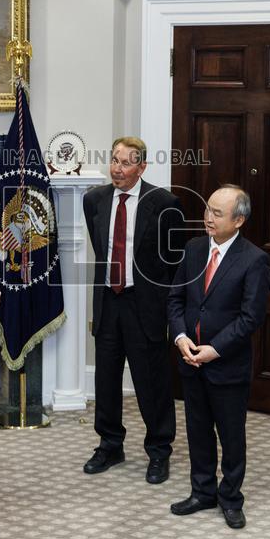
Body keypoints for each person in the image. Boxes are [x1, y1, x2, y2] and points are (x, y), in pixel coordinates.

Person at [82, 137, 185, 485]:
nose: (117, 169)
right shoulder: (93, 199)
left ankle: (159, 450)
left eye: (126, 163)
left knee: (152, 382)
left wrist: (170, 310)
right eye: (114, 160)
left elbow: (174, 265)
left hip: (146, 306)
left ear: (142, 168)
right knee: (106, 379)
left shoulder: (165, 203)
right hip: (109, 302)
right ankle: (110, 445)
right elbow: (102, 249)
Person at [167, 185, 270, 529]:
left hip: (227, 364)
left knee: (231, 434)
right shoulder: (193, 249)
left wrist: (215, 349)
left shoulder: (254, 259)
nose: (208, 218)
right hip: (190, 360)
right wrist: (181, 337)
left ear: (238, 220)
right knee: (197, 429)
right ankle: (202, 491)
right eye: (208, 210)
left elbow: (250, 317)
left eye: (217, 213)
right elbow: (176, 299)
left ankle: (230, 497)